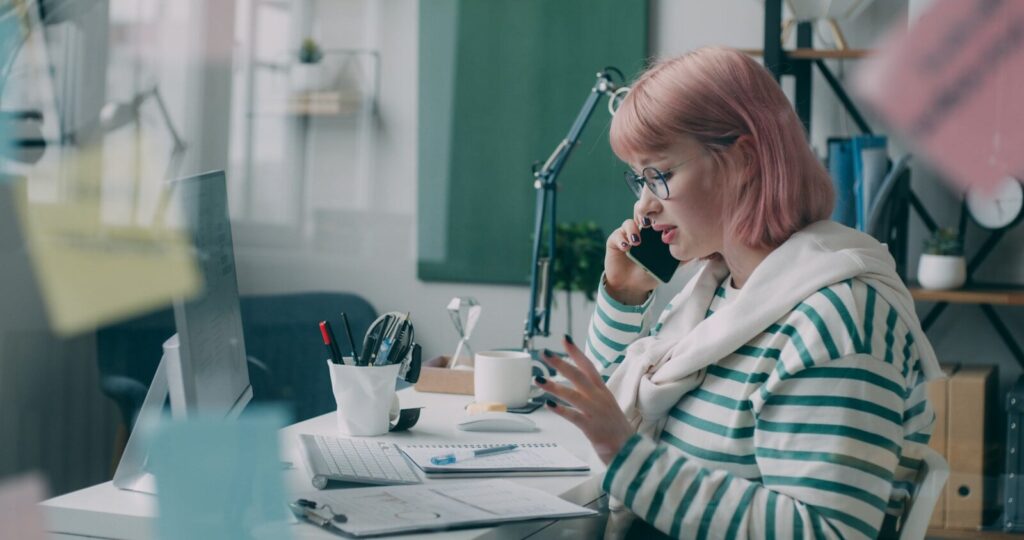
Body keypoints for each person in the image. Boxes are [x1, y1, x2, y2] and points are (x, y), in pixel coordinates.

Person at [532, 47, 941, 539]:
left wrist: (629, 459)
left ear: (743, 160)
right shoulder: (719, 290)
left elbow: (828, 532)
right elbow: (610, 410)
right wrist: (623, 296)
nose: (644, 207)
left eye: (659, 175)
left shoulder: (837, 318)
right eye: (639, 180)